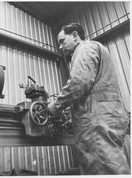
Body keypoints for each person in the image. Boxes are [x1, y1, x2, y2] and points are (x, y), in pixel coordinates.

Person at [46, 23, 130, 174]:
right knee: (113, 165)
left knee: (102, 168)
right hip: (108, 117)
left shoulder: (84, 49)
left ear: (75, 36)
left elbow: (79, 83)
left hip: (97, 123)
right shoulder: (97, 48)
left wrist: (54, 107)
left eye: (62, 41)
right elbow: (93, 91)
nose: (60, 47)